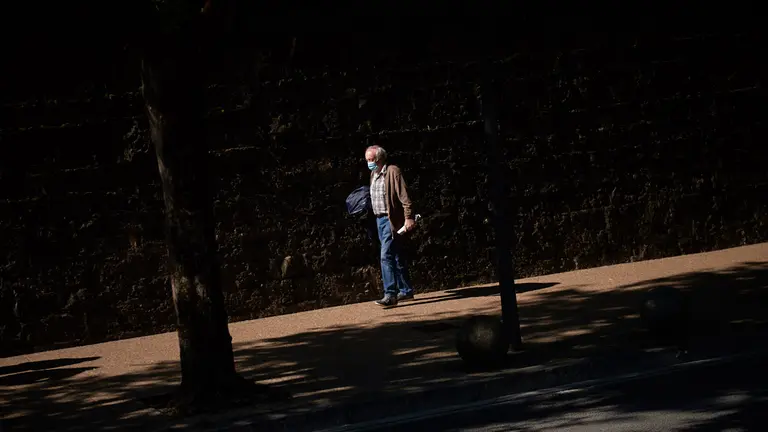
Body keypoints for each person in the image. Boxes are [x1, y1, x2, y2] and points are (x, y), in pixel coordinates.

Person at [365, 145, 416, 307]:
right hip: (379, 220)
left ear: (379, 159)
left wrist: (408, 217)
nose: (369, 163)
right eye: (367, 160)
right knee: (396, 254)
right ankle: (406, 290)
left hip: (390, 220)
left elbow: (404, 196)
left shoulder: (393, 171)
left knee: (385, 255)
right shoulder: (373, 174)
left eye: (371, 159)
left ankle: (390, 294)